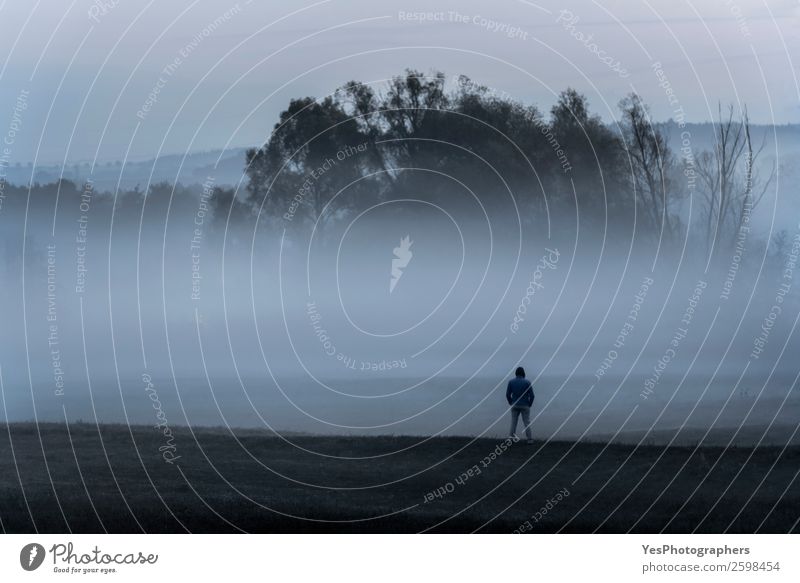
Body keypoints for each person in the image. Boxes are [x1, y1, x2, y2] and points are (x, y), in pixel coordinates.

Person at [506, 366, 534, 443]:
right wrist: (530, 404)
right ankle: (529, 439)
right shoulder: (527, 382)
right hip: (525, 405)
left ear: (516, 373)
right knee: (526, 422)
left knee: (513, 422)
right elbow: (532, 395)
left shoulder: (511, 382)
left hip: (514, 404)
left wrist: (511, 402)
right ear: (523, 373)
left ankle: (511, 439)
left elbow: (508, 394)